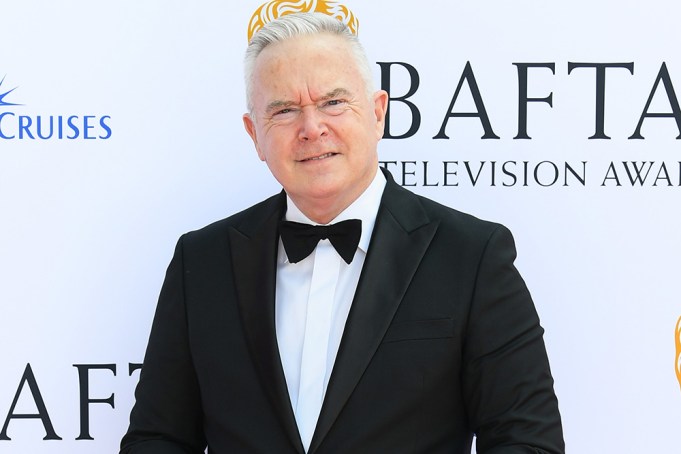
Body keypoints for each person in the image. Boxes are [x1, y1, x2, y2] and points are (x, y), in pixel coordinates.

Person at [120, 10, 564, 454]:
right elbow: (158, 438)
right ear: (255, 134)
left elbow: (527, 441)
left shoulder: (472, 256)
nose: (312, 128)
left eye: (333, 102)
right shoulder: (202, 261)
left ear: (377, 114)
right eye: (285, 110)